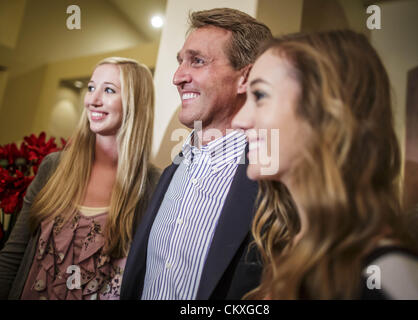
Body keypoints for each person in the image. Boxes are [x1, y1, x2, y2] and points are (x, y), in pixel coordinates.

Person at [231, 30, 418, 299]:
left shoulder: (388, 278)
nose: (239, 120)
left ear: (323, 111)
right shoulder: (292, 245)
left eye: (260, 95)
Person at [121, 8, 272, 300]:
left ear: (246, 78)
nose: (177, 77)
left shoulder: (272, 182)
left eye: (197, 61)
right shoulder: (168, 174)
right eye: (180, 62)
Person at [0, 57, 160, 300]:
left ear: (135, 103)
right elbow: (13, 254)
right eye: (91, 87)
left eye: (109, 90)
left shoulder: (151, 185)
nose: (93, 100)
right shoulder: (53, 167)